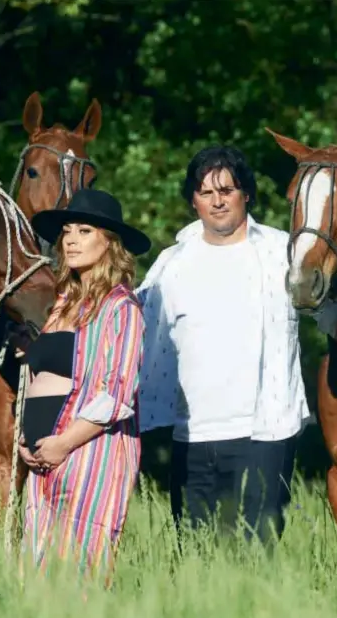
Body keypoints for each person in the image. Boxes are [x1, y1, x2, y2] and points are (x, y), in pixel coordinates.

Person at [136, 144, 312, 547]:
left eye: (226, 190)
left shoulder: (282, 253)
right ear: (194, 200)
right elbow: (130, 327)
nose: (217, 201)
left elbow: (333, 316)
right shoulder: (172, 263)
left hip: (265, 432)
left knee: (257, 553)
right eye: (205, 192)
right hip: (192, 434)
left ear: (245, 193)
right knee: (196, 557)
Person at [16, 187, 151, 583]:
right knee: (35, 579)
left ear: (109, 243)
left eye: (85, 231)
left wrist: (63, 443)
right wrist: (28, 438)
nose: (71, 239)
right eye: (68, 231)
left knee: (80, 576)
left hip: (89, 454)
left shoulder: (121, 309)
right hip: (41, 462)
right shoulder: (62, 305)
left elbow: (117, 393)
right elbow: (43, 377)